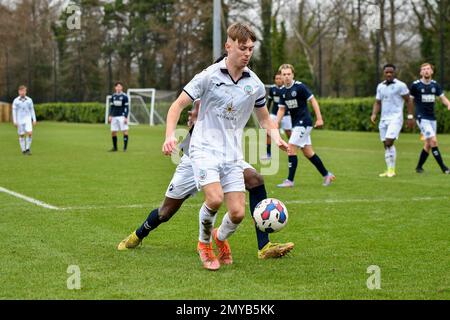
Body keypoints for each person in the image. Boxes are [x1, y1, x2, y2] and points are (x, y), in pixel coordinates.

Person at [162, 23, 288, 271]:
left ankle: (220, 237)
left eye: (251, 49)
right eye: (243, 48)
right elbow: (177, 106)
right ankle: (204, 244)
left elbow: (264, 119)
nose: (248, 53)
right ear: (228, 46)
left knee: (239, 213)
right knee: (215, 198)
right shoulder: (208, 76)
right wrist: (169, 136)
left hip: (232, 155)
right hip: (203, 149)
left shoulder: (255, 84)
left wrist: (277, 135)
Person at [117, 101, 294, 260]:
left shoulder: (243, 91)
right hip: (195, 157)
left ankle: (264, 247)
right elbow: (192, 111)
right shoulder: (209, 86)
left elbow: (259, 115)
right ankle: (138, 235)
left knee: (255, 180)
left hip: (226, 155)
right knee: (165, 212)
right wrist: (192, 120)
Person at [276, 64, 335, 188]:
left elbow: (313, 100)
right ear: (281, 76)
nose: (286, 77)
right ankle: (326, 175)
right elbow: (281, 110)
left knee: (291, 147)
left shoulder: (300, 87)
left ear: (293, 75)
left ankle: (290, 181)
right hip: (296, 124)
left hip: (304, 122)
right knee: (308, 153)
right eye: (284, 74)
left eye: (288, 74)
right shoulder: (282, 91)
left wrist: (319, 118)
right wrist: (275, 124)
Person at [371, 64, 414, 178]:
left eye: (391, 72)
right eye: (387, 72)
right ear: (384, 73)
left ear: (394, 73)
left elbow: (409, 100)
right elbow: (378, 102)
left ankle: (391, 170)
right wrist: (374, 114)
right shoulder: (380, 86)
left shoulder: (401, 85)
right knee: (386, 144)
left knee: (389, 141)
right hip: (384, 119)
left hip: (396, 118)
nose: (389, 74)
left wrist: (410, 117)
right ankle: (389, 169)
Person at [410, 63, 450, 174]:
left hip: (432, 118)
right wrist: (410, 116)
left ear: (432, 71)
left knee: (428, 144)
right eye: (423, 69)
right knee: (433, 141)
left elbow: (442, 98)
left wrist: (448, 104)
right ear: (420, 72)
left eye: (428, 69)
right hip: (421, 118)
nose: (426, 71)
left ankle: (419, 167)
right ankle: (444, 168)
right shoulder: (415, 85)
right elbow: (410, 101)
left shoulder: (435, 85)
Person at [262, 72, 292, 160]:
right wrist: (266, 112)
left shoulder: (286, 89)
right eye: (276, 79)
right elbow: (270, 101)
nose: (278, 80)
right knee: (268, 133)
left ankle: (291, 150)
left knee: (289, 133)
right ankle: (268, 154)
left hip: (285, 115)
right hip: (274, 114)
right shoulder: (272, 89)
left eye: (280, 78)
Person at [12, 85, 36, 155]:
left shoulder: (29, 100)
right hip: (19, 120)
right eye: (21, 91)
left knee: (30, 133)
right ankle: (23, 150)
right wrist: (15, 121)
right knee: (21, 135)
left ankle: (27, 149)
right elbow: (14, 111)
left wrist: (34, 119)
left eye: (24, 91)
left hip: (28, 119)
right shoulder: (15, 101)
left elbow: (32, 110)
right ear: (19, 92)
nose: (22, 92)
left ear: (26, 92)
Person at [108, 82, 129, 152]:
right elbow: (112, 107)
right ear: (115, 88)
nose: (119, 88)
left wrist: (125, 117)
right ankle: (115, 148)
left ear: (122, 88)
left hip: (122, 116)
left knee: (125, 131)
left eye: (120, 86)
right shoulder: (113, 96)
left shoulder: (125, 96)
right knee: (113, 132)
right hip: (114, 116)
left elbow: (126, 107)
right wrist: (110, 115)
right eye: (117, 86)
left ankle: (125, 148)